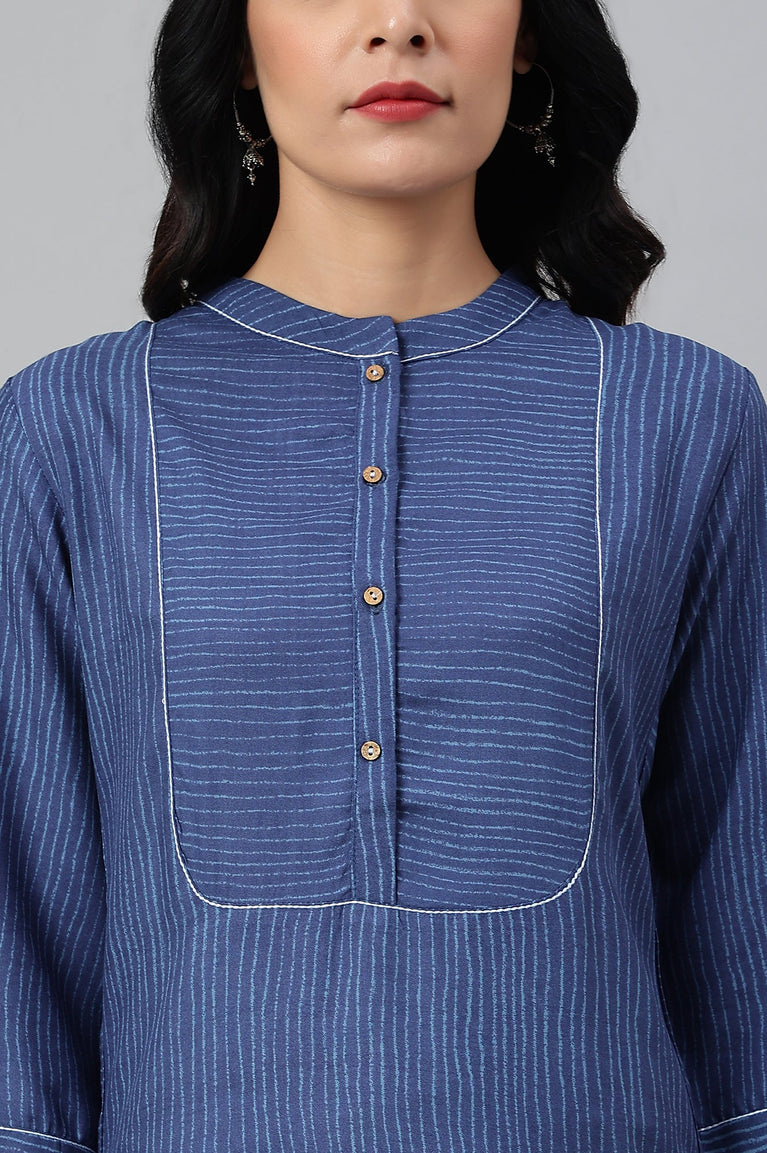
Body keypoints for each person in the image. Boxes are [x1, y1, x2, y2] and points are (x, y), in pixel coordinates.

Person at [1, 0, 765, 1150]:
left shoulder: (682, 418)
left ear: (525, 37)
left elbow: (739, 908)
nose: (398, 23)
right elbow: (21, 944)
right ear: (238, 48)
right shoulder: (74, 427)